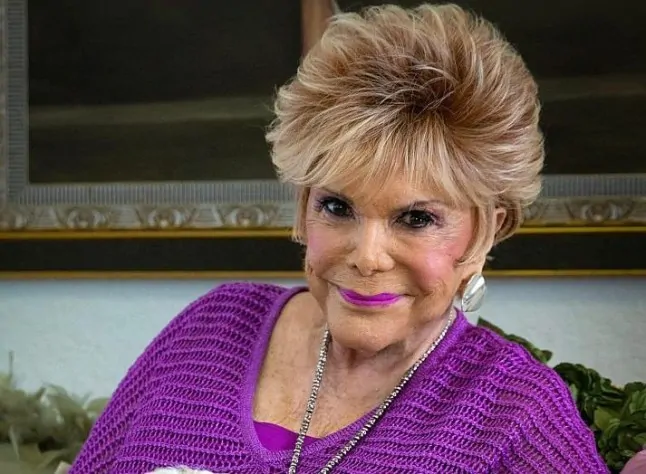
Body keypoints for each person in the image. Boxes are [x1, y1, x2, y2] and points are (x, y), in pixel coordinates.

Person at [68, 3, 611, 473]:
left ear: (489, 229)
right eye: (337, 207)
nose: (367, 257)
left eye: (416, 219)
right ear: (304, 204)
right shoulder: (210, 331)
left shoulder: (516, 413)